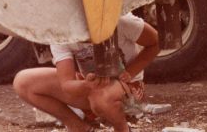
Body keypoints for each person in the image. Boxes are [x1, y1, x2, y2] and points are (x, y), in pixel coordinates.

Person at [14, 13, 159, 132]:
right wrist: (87, 85)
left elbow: (156, 42)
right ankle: (78, 127)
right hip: (93, 88)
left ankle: (121, 127)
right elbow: (67, 84)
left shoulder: (121, 21)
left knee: (100, 96)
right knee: (23, 82)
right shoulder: (62, 34)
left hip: (128, 89)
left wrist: (131, 71)